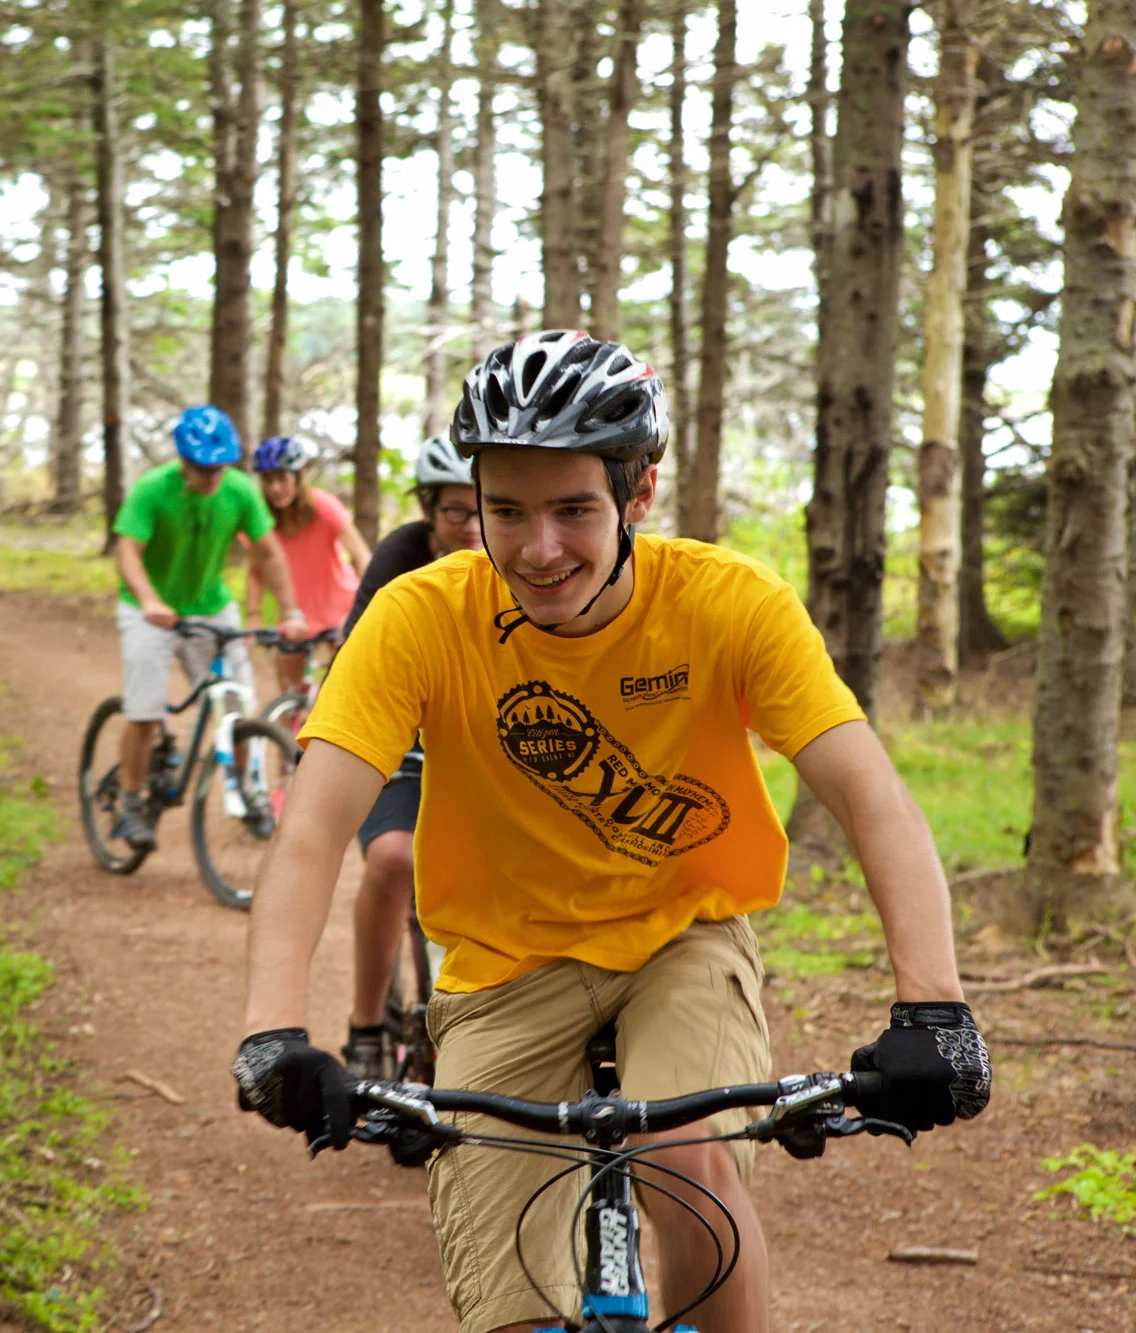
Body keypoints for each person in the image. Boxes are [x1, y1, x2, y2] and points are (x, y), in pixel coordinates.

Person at [231, 331, 989, 1333]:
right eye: (505, 511)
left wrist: (934, 1005)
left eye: (573, 510)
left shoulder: (726, 603)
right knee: (506, 1298)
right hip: (502, 966)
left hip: (680, 936)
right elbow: (314, 826)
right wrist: (273, 1030)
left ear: (638, 495)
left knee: (687, 1159)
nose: (537, 549)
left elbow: (867, 793)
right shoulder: (420, 616)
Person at [338, 435, 484, 1081]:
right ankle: (366, 1025)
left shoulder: (522, 562)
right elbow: (356, 661)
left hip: (485, 750)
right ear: (429, 510)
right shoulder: (399, 559)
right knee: (394, 857)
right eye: (455, 511)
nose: (472, 526)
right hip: (403, 741)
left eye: (486, 508)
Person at [110, 405, 311, 852]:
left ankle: (249, 793)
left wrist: (291, 612)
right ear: (183, 462)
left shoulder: (239, 491)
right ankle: (129, 804)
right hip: (149, 609)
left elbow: (269, 552)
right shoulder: (152, 489)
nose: (212, 477)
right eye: (203, 469)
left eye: (220, 468)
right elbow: (127, 552)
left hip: (212, 607)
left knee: (237, 705)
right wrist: (150, 601)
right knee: (144, 710)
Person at [243, 435, 370, 696]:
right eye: (268, 480)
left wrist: (360, 609)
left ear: (299, 477)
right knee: (289, 696)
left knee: (346, 692)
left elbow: (361, 556)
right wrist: (253, 616)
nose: (275, 488)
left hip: (341, 612)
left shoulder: (324, 506)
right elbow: (256, 571)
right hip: (295, 618)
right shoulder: (260, 519)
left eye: (282, 479)